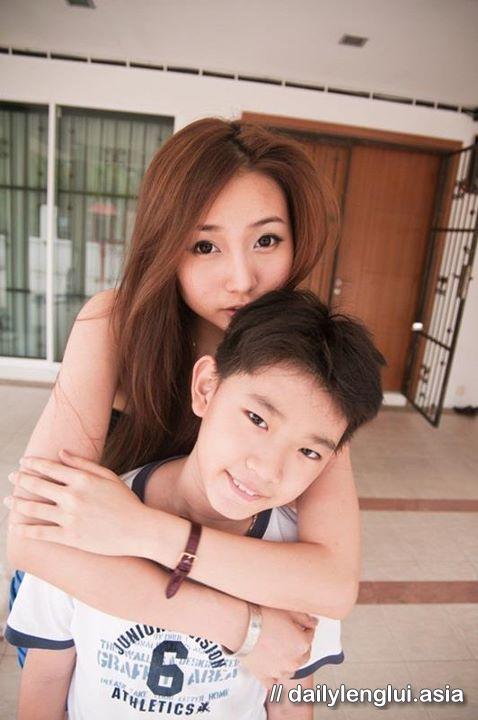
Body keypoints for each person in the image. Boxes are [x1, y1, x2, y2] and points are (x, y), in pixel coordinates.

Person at [6, 118, 360, 684]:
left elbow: (333, 583)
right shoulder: (115, 326)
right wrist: (241, 627)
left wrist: (145, 532)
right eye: (205, 245)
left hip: (181, 619)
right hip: (87, 605)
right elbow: (32, 538)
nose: (241, 279)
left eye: (266, 240)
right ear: (166, 247)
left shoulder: (305, 364)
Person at [6, 289, 384, 720]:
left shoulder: (298, 568)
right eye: (257, 419)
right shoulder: (85, 516)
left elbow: (289, 700)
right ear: (206, 388)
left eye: (309, 452)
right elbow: (47, 677)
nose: (267, 470)